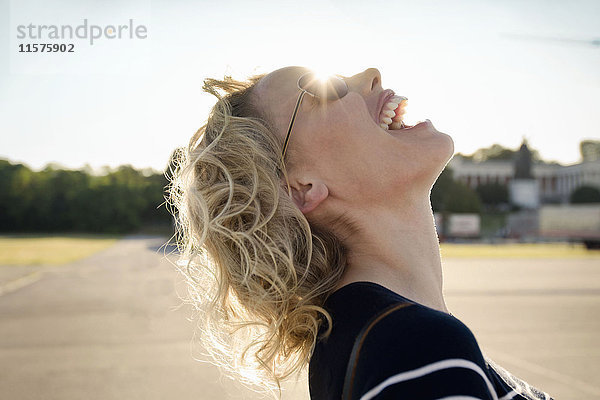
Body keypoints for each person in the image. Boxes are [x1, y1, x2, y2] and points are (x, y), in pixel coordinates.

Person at [168, 66, 554, 399]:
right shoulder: (414, 348)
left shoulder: (376, 341)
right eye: (325, 90)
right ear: (300, 187)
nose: (371, 74)